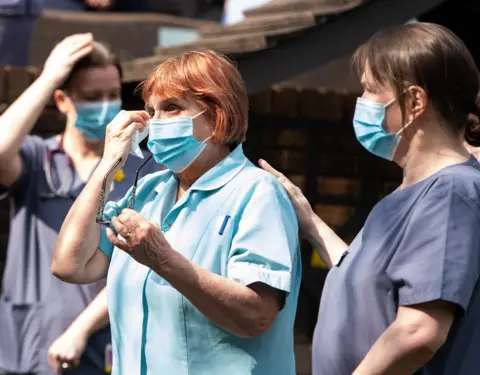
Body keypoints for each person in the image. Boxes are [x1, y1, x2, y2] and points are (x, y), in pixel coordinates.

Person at [52, 50, 301, 375]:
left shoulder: (257, 193)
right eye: (151, 112)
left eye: (172, 108)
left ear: (217, 115)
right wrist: (107, 164)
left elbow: (257, 316)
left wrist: (163, 260)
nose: (155, 123)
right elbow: (70, 264)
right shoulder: (148, 191)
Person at [260, 22, 480, 375]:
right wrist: (309, 220)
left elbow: (418, 331)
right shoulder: (406, 195)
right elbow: (361, 278)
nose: (360, 103)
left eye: (370, 90)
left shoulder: (451, 192)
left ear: (414, 101)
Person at [0, 33, 160, 375]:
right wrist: (48, 77)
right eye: (91, 97)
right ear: (62, 100)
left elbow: (139, 262)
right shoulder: (36, 158)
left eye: (112, 94)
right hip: (26, 344)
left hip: (102, 345)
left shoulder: (144, 170)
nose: (105, 105)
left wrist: (82, 328)